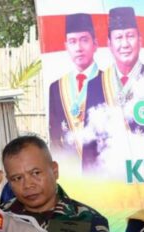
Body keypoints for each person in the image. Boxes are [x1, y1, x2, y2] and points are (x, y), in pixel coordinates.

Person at [48, 13, 107, 170]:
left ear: (95, 44)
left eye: (84, 40)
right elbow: (54, 136)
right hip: (71, 173)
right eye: (72, 41)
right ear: (66, 46)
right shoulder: (56, 87)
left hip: (106, 169)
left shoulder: (109, 82)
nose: (79, 48)